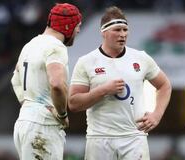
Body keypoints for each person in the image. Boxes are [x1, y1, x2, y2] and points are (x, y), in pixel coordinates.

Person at [68, 6, 172, 160]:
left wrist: (156, 115)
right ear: (103, 32)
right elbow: (74, 103)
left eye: (125, 30)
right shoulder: (86, 62)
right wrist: (103, 90)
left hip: (134, 137)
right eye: (117, 30)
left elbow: (164, 85)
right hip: (99, 138)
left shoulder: (141, 58)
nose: (123, 34)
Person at [10, 3, 82, 160]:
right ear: (68, 25)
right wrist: (62, 114)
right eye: (78, 26)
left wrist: (29, 105)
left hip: (24, 121)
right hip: (43, 126)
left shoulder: (30, 45)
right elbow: (57, 84)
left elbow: (15, 80)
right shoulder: (55, 47)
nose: (79, 30)